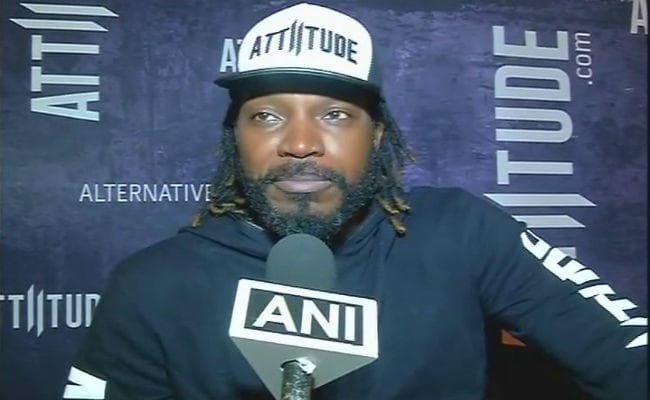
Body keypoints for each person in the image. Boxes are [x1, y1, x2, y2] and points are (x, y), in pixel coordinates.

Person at [62, 3, 647, 400]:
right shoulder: (153, 285)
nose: (299, 144)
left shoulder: (461, 232)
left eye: (336, 114)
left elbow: (625, 351)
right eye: (266, 116)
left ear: (378, 136)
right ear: (234, 137)